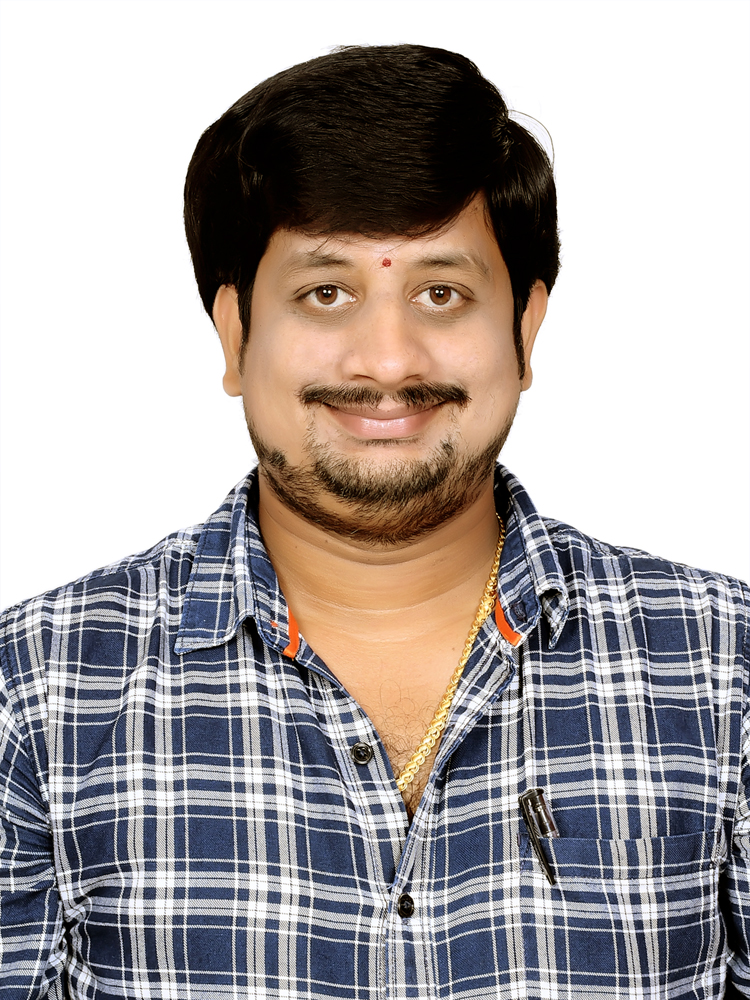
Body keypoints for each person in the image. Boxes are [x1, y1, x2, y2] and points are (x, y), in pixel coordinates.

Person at [1, 43, 748, 999]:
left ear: (525, 332)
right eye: (327, 293)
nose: (389, 362)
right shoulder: (37, 695)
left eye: (441, 293)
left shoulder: (724, 670)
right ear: (234, 333)